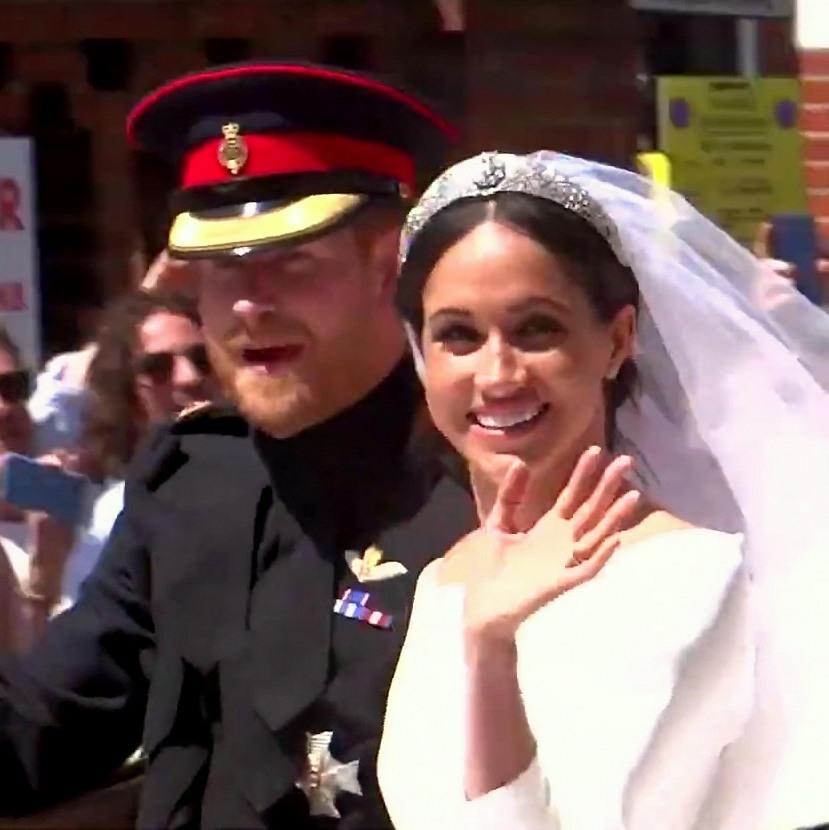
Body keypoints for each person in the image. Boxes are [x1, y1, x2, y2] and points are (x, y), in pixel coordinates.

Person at [0, 61, 486, 829]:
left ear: (387, 263)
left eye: (291, 261)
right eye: (223, 269)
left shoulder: (483, 486)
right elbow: (47, 725)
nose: (250, 306)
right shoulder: (193, 481)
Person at [378, 152, 829, 829]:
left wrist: (491, 655)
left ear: (616, 339)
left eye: (536, 330)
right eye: (458, 336)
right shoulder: (444, 577)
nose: (497, 373)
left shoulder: (687, 576)